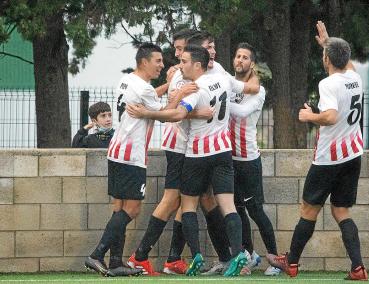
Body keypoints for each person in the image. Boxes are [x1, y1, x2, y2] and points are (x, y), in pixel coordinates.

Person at [126, 30, 260, 276]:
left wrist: (149, 112)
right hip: (188, 147)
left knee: (194, 202)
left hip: (197, 150)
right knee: (189, 201)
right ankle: (228, 255)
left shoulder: (203, 78)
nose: (213, 50)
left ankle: (192, 257)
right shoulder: (191, 76)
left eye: (181, 53)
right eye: (209, 46)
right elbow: (249, 88)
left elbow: (174, 112)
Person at [84, 42, 197, 277]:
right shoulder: (144, 88)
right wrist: (181, 93)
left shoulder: (127, 80)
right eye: (157, 61)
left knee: (120, 208)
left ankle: (115, 261)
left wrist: (167, 85)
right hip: (131, 154)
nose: (161, 65)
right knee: (133, 209)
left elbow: (150, 99)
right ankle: (96, 255)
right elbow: (165, 113)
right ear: (144, 62)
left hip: (116, 151)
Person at [267, 21, 368, 281]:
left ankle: (291, 262)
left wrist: (311, 116)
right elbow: (342, 60)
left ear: (326, 60)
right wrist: (327, 43)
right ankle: (358, 267)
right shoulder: (354, 77)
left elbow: (331, 117)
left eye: (324, 54)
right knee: (341, 211)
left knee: (308, 210)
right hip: (352, 155)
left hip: (329, 159)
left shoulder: (328, 84)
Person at [125, 29, 213, 276]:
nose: (175, 55)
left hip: (188, 147)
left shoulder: (192, 72)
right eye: (175, 50)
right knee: (174, 199)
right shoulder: (183, 75)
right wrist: (199, 113)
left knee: (184, 201)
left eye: (179, 49)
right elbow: (175, 112)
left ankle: (172, 258)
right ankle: (140, 256)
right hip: (179, 145)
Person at [229, 43, 280, 276]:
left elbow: (240, 112)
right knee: (237, 209)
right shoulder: (230, 83)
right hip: (228, 158)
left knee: (255, 210)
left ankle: (275, 259)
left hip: (248, 158)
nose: (240, 60)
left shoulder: (257, 90)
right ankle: (249, 255)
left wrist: (219, 96)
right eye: (238, 56)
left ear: (252, 63)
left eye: (245, 57)